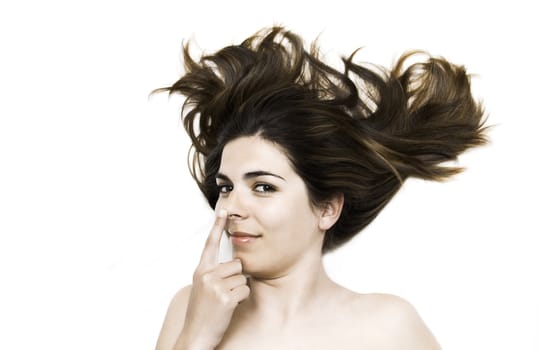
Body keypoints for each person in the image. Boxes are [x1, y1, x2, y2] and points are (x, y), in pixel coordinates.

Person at [153, 26, 487, 350]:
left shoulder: (386, 328)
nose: (229, 208)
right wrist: (196, 338)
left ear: (327, 208)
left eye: (264, 187)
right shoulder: (190, 309)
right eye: (226, 187)